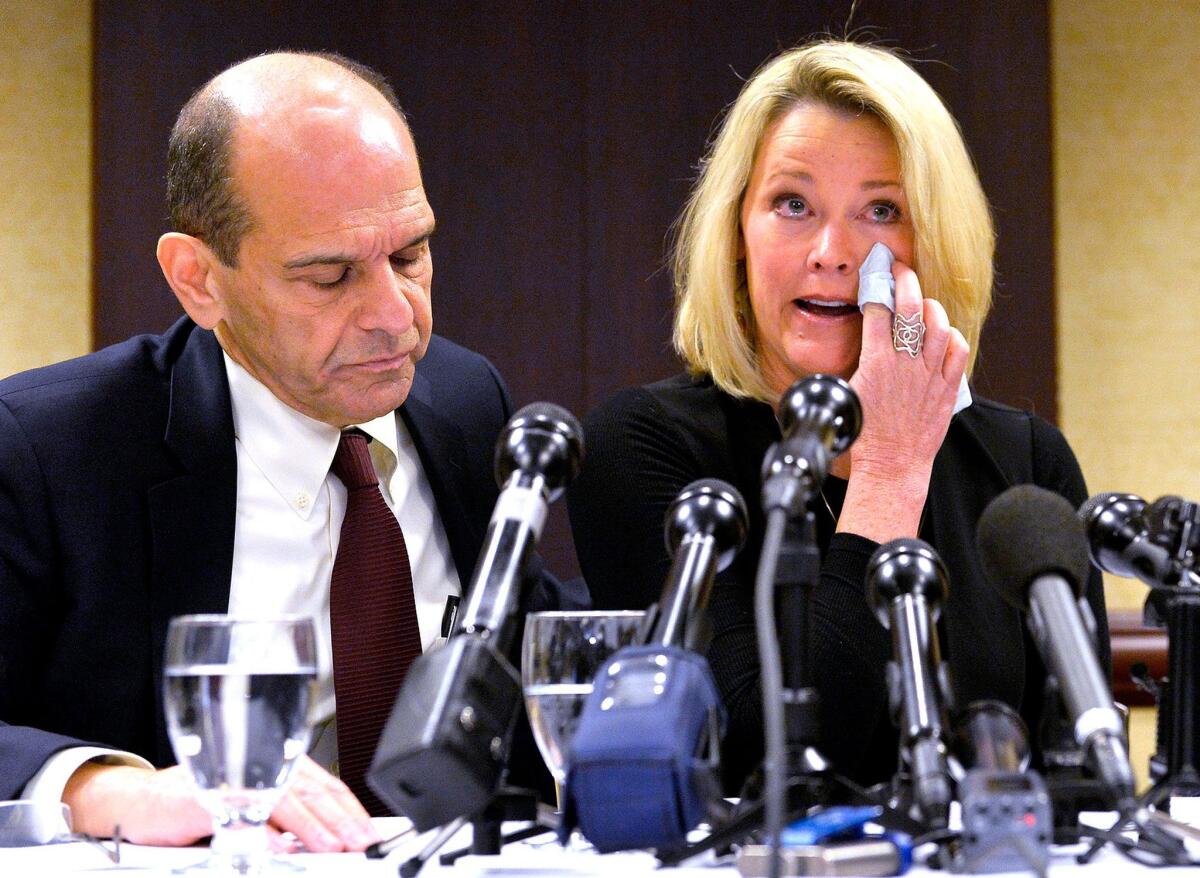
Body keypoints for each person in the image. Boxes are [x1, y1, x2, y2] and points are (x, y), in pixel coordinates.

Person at [0, 52, 562, 850]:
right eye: (331, 277)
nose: (394, 315)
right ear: (198, 280)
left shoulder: (468, 404)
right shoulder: (53, 451)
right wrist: (111, 788)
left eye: (410, 255)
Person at [567, 41, 1109, 793]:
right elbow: (760, 767)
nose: (832, 252)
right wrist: (888, 473)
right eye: (793, 204)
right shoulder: (645, 446)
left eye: (881, 210)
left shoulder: (1026, 465)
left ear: (937, 245)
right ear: (736, 235)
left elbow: (1078, 778)